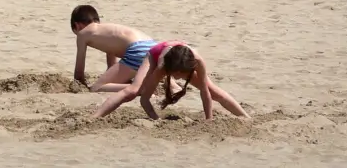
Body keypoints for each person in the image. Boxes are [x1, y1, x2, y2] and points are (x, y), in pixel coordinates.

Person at [93, 40, 249, 121]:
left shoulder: (197, 61)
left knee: (215, 91)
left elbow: (205, 92)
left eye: (180, 75)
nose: (177, 79)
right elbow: (145, 99)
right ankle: (94, 117)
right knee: (133, 91)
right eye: (175, 75)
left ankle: (245, 117)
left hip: (179, 57)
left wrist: (209, 119)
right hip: (155, 54)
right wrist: (156, 118)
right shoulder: (161, 67)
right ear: (169, 71)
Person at [69, 4, 156, 92]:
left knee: (97, 87)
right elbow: (112, 65)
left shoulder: (83, 34)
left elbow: (79, 72)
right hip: (153, 47)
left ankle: (140, 88)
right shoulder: (107, 31)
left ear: (77, 26)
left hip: (137, 50)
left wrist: (79, 84)